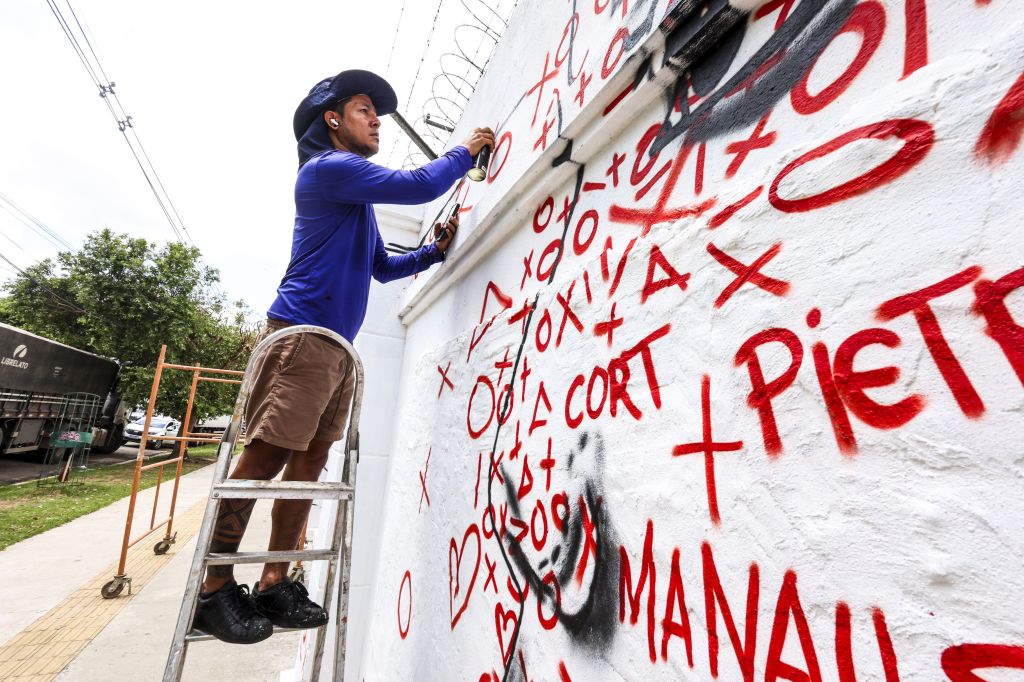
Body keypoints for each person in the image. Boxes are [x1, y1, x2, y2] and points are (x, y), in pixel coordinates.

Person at [191, 69, 495, 643]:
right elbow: (418, 185)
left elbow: (382, 266)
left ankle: (275, 581)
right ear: (332, 120)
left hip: (334, 348)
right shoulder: (327, 170)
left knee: (308, 465)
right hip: (302, 337)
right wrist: (466, 152)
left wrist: (434, 251)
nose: (376, 118)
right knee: (264, 460)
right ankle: (212, 588)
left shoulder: (353, 203)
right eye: (363, 109)